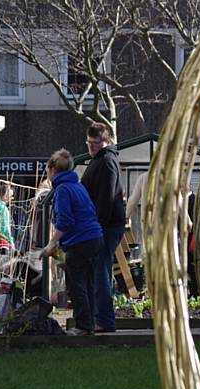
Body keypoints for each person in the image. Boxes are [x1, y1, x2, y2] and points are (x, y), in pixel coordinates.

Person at [40, 149, 103, 336]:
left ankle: (83, 326)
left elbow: (65, 222)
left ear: (52, 169)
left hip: (81, 242)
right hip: (95, 239)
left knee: (77, 285)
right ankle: (90, 323)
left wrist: (51, 244)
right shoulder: (78, 186)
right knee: (89, 284)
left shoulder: (62, 190)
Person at [81, 122, 125, 333]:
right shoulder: (100, 159)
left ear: (106, 141)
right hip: (103, 224)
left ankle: (105, 320)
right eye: (89, 143)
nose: (91, 146)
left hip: (105, 226)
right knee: (100, 270)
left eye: (96, 143)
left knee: (101, 271)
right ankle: (101, 318)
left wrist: (96, 226)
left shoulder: (106, 161)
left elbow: (107, 197)